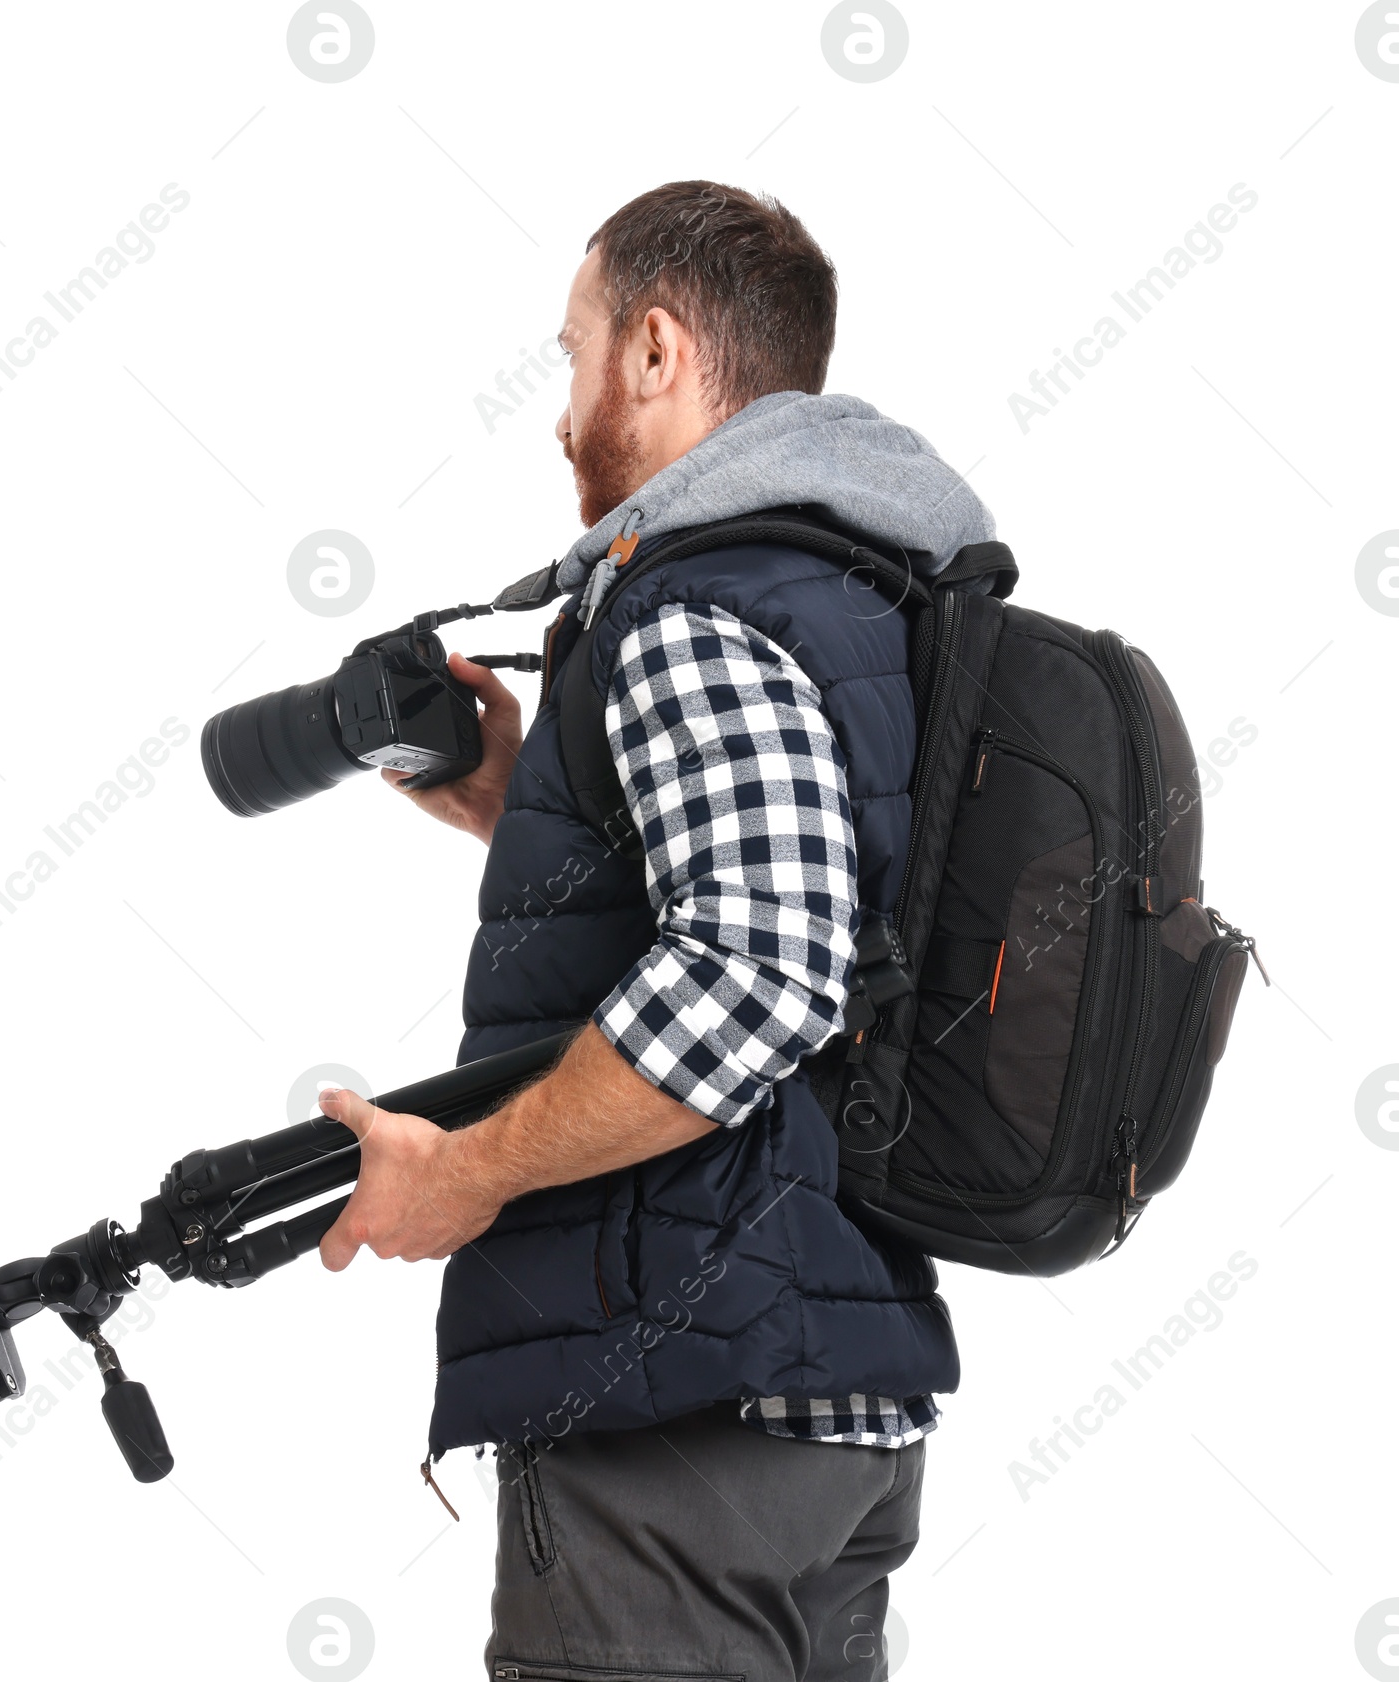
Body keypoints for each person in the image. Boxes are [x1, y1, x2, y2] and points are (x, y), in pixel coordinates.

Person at [317, 181, 994, 1682]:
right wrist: (519, 802)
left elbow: (760, 966)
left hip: (678, 1407)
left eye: (573, 356)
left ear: (657, 349)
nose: (560, 415)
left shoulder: (696, 603)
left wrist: (462, 1175)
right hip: (820, 1402)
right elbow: (825, 906)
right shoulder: (857, 584)